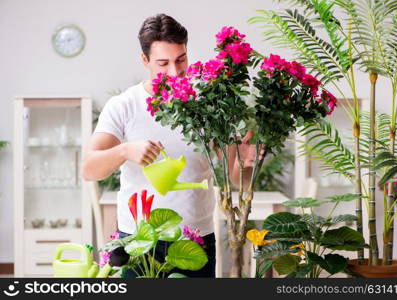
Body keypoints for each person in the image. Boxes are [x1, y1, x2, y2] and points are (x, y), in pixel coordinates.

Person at [82, 13, 263, 278]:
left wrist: (248, 163)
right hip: (138, 241)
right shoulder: (124, 105)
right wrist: (125, 150)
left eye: (181, 60)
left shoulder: (207, 104)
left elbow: (237, 179)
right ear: (145, 60)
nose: (175, 72)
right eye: (163, 63)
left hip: (196, 239)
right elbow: (89, 169)